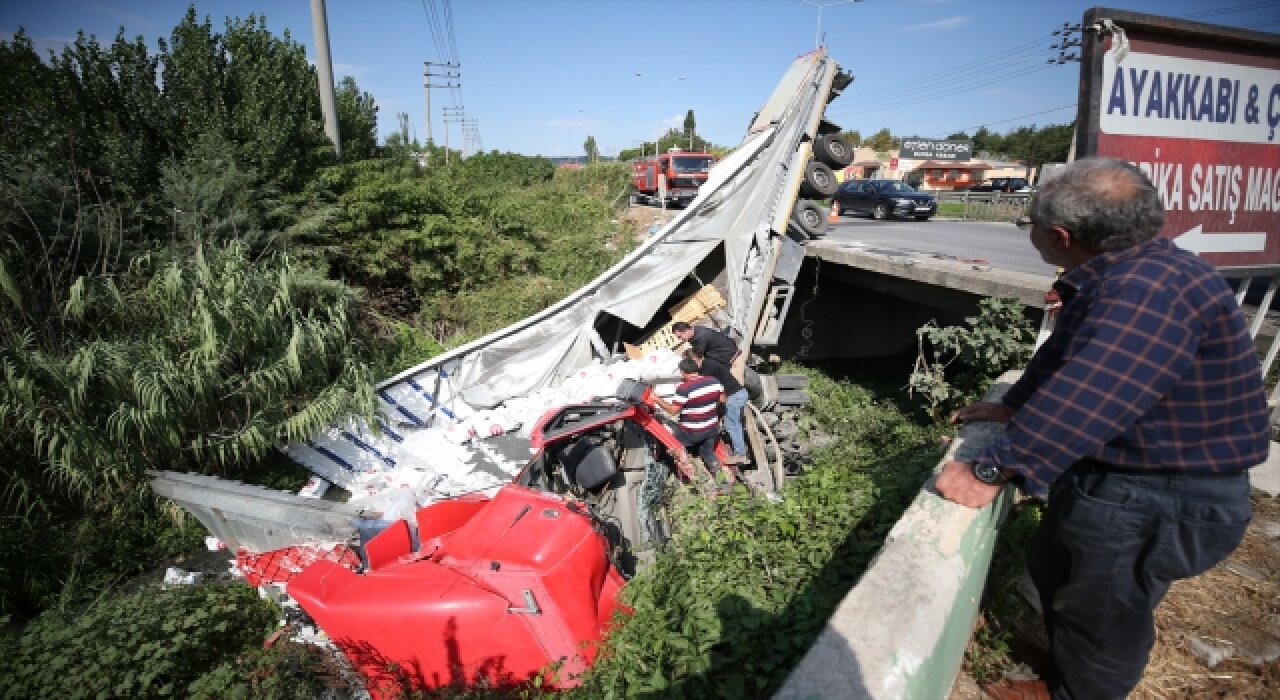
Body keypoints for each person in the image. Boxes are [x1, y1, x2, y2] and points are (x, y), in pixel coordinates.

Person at [935, 157, 1269, 700]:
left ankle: (1078, 690)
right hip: (1130, 476)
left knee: (1105, 611)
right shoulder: (1127, 273)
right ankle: (1069, 668)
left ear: (1061, 236)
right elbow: (1071, 355)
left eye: (1032, 226)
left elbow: (1090, 395)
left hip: (1162, 491)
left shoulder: (1144, 292)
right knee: (1058, 568)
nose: (1033, 236)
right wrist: (1015, 404)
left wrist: (992, 469)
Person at [653, 358, 726, 481]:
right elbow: (723, 399)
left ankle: (686, 478)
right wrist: (707, 410)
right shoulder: (714, 381)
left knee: (671, 447)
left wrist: (657, 399)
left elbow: (673, 411)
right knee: (708, 454)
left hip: (691, 432)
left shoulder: (684, 388)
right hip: (711, 427)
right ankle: (722, 482)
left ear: (682, 372)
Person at [690, 347, 750, 464]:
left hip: (733, 396)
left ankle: (740, 454)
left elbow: (703, 384)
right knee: (734, 424)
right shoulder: (708, 364)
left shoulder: (708, 367)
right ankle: (740, 451)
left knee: (732, 425)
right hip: (736, 395)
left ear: (695, 359)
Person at [671, 320, 739, 368]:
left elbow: (698, 355)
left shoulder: (699, 337)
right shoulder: (696, 329)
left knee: (706, 367)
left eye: (680, 336)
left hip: (728, 354)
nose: (680, 339)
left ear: (686, 331)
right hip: (727, 348)